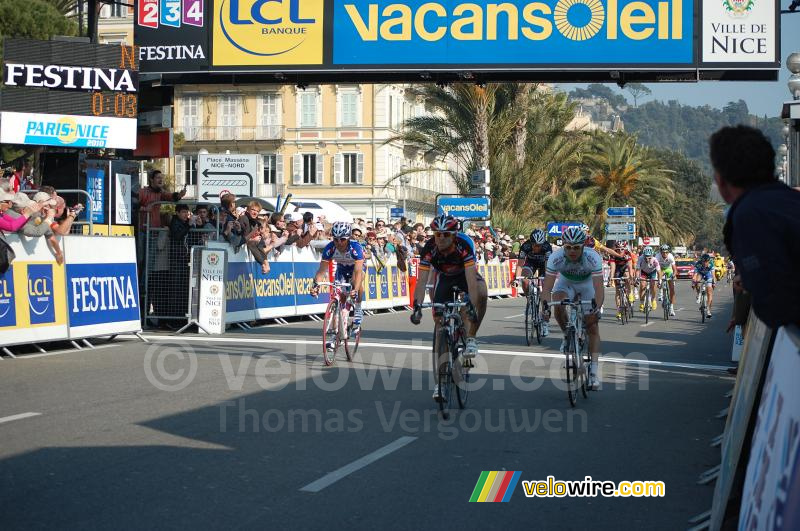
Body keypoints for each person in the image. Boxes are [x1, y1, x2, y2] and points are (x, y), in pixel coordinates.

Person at [711, 125, 800, 328]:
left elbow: (776, 299)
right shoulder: (788, 199)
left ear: (722, 181)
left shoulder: (750, 214)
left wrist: (750, 284)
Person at [410, 215, 488, 401]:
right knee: (439, 327)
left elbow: (471, 280)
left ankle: (470, 337)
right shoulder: (429, 248)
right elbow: (422, 282)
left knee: (482, 291)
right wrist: (417, 307)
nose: (441, 238)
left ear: (453, 235)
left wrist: (471, 304)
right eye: (437, 234)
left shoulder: (463, 245)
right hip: (444, 278)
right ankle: (440, 384)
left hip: (464, 275)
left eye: (445, 234)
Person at [541, 225, 605, 390]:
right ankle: (567, 335)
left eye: (576, 247)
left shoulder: (593, 258)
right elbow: (547, 288)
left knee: (592, 325)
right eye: (568, 247)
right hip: (566, 283)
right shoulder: (555, 258)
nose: (572, 251)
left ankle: (593, 373)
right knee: (557, 301)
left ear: (583, 246)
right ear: (564, 246)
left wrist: (596, 308)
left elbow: (599, 288)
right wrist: (545, 307)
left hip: (587, 285)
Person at [311, 222, 366, 341]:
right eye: (336, 239)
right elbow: (322, 271)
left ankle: (358, 308)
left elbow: (357, 272)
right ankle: (336, 332)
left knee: (357, 279)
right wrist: (316, 285)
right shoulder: (329, 248)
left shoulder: (355, 248)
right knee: (339, 295)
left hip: (356, 268)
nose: (339, 243)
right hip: (342, 267)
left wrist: (355, 290)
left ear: (349, 238)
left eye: (342, 239)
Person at [512, 228, 552, 334]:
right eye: (534, 244)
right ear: (531, 242)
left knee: (546, 291)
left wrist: (547, 279)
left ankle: (545, 324)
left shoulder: (547, 247)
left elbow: (548, 266)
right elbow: (520, 265)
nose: (536, 247)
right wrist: (517, 279)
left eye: (539, 245)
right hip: (531, 263)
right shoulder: (525, 246)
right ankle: (530, 301)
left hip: (544, 265)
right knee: (524, 280)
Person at [607, 240, 634, 320]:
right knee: (618, 291)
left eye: (621, 249)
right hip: (617, 269)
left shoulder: (627, 254)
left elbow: (630, 267)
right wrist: (611, 278)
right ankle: (619, 310)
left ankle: (630, 294)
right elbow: (613, 267)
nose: (619, 251)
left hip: (625, 267)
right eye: (617, 249)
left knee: (627, 275)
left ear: (624, 249)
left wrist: (631, 277)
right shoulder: (613, 254)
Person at [656, 244, 677, 316]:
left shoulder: (670, 256)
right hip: (660, 269)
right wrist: (658, 279)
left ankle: (671, 307)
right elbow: (656, 268)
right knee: (659, 279)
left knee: (672, 289)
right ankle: (661, 292)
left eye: (666, 252)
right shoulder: (657, 256)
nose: (665, 254)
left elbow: (674, 269)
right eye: (663, 252)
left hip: (669, 269)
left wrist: (673, 276)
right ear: (660, 252)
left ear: (668, 252)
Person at [636, 246, 659, 312]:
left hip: (652, 273)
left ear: (652, 255)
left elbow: (659, 271)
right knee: (642, 286)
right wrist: (637, 278)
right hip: (644, 272)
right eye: (645, 256)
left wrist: (659, 280)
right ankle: (642, 303)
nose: (647, 258)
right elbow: (637, 269)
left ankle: (653, 299)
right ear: (643, 255)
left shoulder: (655, 260)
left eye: (649, 257)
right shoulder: (640, 258)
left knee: (653, 286)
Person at [693, 253, 715, 319]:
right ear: (701, 261)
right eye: (704, 262)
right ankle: (699, 293)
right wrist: (694, 281)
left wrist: (714, 282)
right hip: (700, 274)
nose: (705, 263)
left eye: (707, 262)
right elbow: (695, 274)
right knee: (697, 280)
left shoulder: (711, 264)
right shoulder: (698, 264)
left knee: (709, 293)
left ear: (709, 261)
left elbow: (713, 275)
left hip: (708, 275)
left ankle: (708, 311)